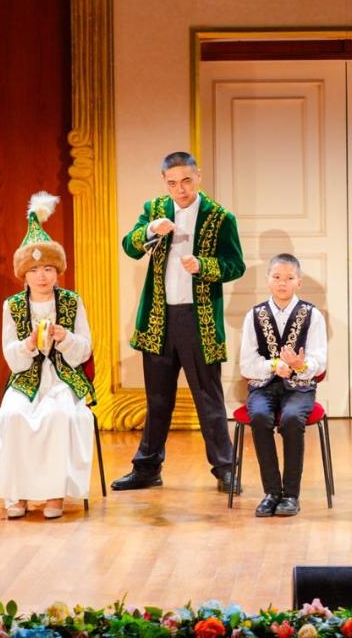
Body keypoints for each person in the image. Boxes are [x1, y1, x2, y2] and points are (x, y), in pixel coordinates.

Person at [111, 151, 246, 493]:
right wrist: (149, 230)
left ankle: (225, 469)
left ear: (198, 176)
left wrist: (204, 266)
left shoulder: (219, 217)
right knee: (157, 399)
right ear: (164, 182)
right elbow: (129, 247)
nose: (180, 189)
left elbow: (236, 265)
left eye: (186, 181)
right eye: (172, 183)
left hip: (198, 320)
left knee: (208, 398)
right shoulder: (154, 210)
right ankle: (146, 468)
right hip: (159, 318)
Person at [0, 192, 96, 519]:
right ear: (24, 274)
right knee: (11, 416)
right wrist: (27, 345)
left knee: (58, 417)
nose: (42, 276)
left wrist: (65, 339)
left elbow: (85, 348)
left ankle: (54, 493)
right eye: (34, 269)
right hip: (26, 380)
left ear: (57, 271)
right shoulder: (13, 306)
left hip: (63, 380)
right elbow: (11, 356)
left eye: (48, 268)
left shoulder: (71, 301)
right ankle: (18, 493)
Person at [238, 254, 328, 517]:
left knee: (291, 419)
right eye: (276, 277)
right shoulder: (254, 315)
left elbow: (319, 360)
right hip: (263, 386)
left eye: (289, 278)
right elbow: (246, 364)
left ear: (299, 282)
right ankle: (271, 493)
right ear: (268, 280)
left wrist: (301, 365)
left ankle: (290, 495)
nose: (282, 283)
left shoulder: (312, 315)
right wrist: (274, 365)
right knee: (260, 416)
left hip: (299, 387)